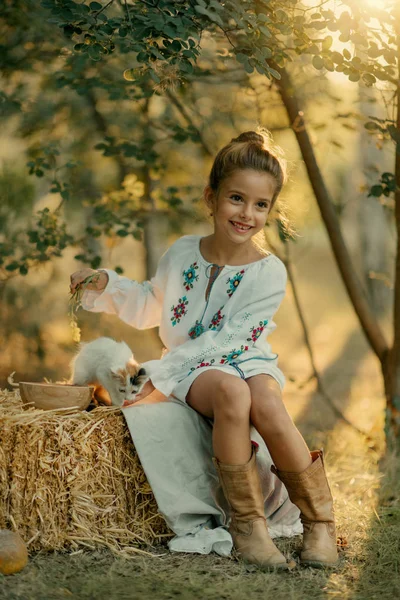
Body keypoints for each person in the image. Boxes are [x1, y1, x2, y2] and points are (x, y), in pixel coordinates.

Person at [69, 130, 338, 571]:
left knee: (266, 399)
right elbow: (152, 303)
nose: (246, 213)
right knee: (232, 394)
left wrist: (158, 374)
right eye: (236, 198)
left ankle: (319, 522)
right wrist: (107, 283)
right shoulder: (180, 253)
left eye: (260, 205)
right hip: (199, 370)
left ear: (269, 209)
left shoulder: (269, 272)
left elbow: (232, 341)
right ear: (211, 197)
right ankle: (249, 527)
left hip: (244, 356)